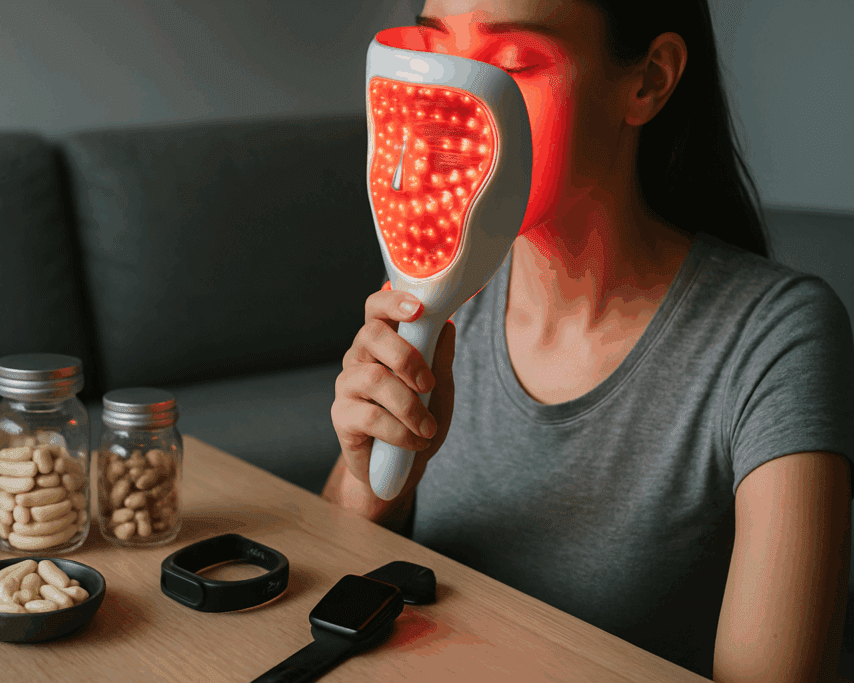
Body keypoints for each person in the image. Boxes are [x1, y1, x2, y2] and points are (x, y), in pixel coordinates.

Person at [322, 1, 854, 680]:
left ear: (649, 81)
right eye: (436, 50)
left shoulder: (775, 338)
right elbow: (330, 598)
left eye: (513, 63)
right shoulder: (449, 291)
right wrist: (368, 486)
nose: (453, 101)